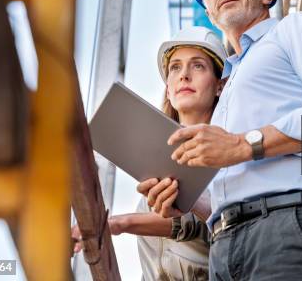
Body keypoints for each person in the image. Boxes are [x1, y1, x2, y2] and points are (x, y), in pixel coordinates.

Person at [138, 0, 302, 280]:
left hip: (291, 226)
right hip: (225, 247)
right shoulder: (228, 89)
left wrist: (244, 144)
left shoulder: (296, 29)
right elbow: (232, 189)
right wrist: (185, 200)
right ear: (210, 13)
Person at [73, 26, 227, 281]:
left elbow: (203, 223)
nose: (184, 76)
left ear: (219, 86)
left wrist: (119, 224)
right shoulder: (153, 174)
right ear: (168, 89)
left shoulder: (229, 155)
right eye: (175, 67)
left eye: (198, 66)